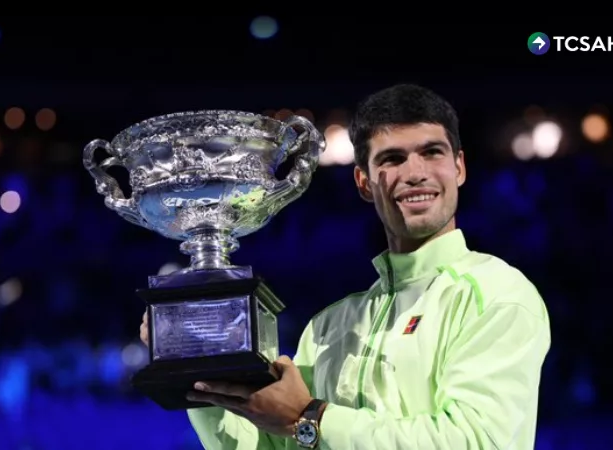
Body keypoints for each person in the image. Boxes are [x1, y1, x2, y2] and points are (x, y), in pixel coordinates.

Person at [139, 84, 551, 449]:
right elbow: (275, 445)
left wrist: (311, 417)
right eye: (392, 159)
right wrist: (200, 361)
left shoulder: (496, 295)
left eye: (431, 152)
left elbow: (475, 442)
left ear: (458, 167)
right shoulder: (327, 327)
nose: (415, 173)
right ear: (364, 183)